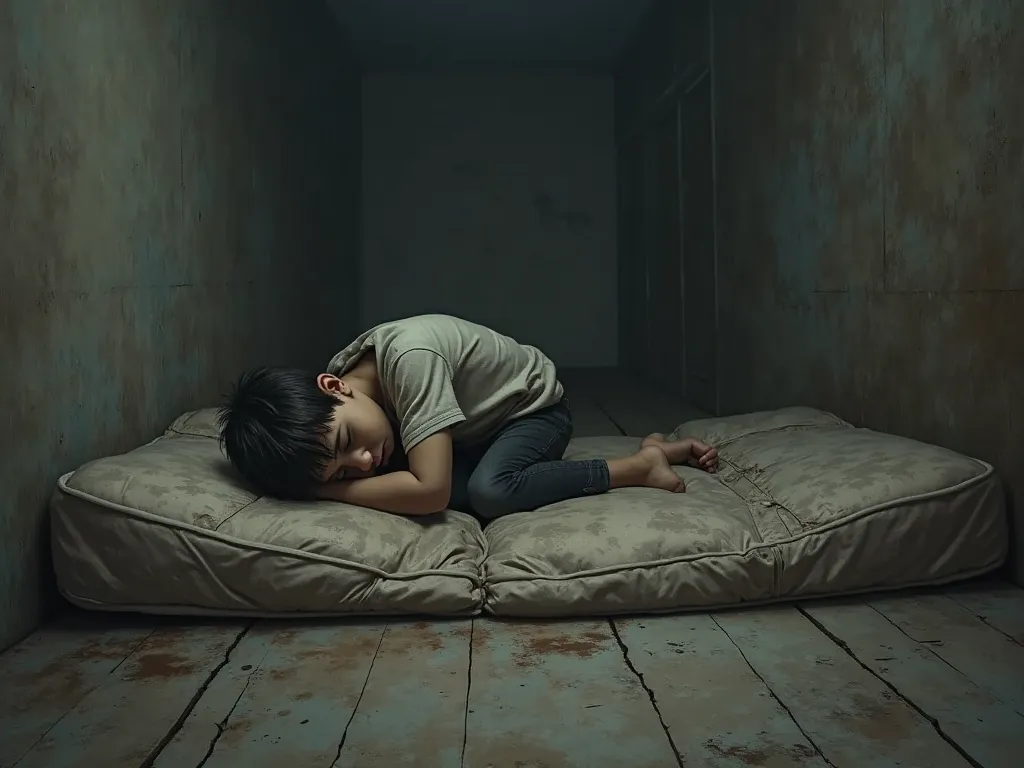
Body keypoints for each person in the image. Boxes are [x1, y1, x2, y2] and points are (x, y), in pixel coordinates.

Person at [217, 313, 718, 520]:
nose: (365, 459)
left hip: (532, 412)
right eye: (344, 469)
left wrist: (325, 489)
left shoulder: (410, 359)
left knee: (488, 491)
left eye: (348, 440)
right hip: (469, 433)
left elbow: (431, 492)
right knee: (405, 484)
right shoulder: (348, 401)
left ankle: (642, 463)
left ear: (334, 386)